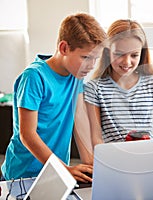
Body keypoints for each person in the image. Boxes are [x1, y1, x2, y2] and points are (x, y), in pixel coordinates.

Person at [0, 13, 106, 182]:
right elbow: (27, 135)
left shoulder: (76, 75)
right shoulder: (34, 77)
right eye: (86, 57)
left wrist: (92, 166)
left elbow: (80, 121)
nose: (91, 65)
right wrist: (63, 169)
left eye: (96, 59)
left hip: (55, 173)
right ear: (64, 48)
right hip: (23, 173)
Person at [84, 19, 153, 150]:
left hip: (147, 157)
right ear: (108, 52)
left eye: (134, 55)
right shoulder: (94, 88)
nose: (127, 62)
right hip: (114, 159)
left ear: (142, 54)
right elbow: (95, 138)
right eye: (119, 54)